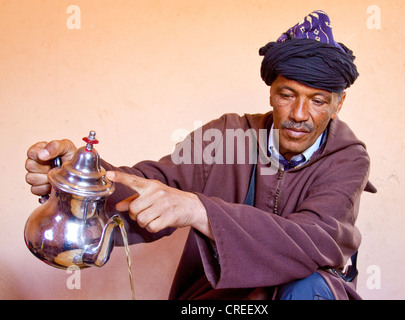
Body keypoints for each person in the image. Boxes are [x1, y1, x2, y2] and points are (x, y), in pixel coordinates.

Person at [25, 10, 376, 300]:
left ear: (338, 104)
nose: (300, 114)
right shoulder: (226, 135)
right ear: (271, 93)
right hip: (220, 299)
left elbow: (313, 240)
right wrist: (77, 178)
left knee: (309, 286)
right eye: (288, 94)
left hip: (302, 295)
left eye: (318, 101)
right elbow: (152, 185)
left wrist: (199, 209)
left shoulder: (348, 159)